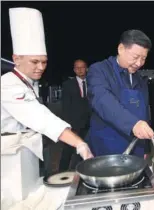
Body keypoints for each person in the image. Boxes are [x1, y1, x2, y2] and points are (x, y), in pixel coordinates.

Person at [1, 7, 93, 205]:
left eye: (44, 62)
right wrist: (79, 143)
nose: (41, 67)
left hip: (26, 152)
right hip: (8, 158)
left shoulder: (30, 82)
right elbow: (41, 117)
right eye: (35, 62)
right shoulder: (8, 85)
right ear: (16, 59)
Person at [87, 29, 154, 157]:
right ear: (121, 49)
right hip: (107, 147)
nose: (139, 63)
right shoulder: (99, 70)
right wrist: (133, 124)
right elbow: (102, 100)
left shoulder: (140, 79)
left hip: (136, 146)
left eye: (143, 58)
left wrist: (146, 147)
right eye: (135, 57)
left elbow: (145, 112)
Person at [60, 59, 91, 171]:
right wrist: (68, 126)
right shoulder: (68, 85)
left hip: (90, 124)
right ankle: (61, 172)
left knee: (86, 148)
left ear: (86, 68)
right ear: (74, 70)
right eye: (77, 67)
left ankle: (83, 170)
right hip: (74, 124)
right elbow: (66, 107)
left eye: (82, 67)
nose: (79, 70)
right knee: (68, 151)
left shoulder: (92, 83)